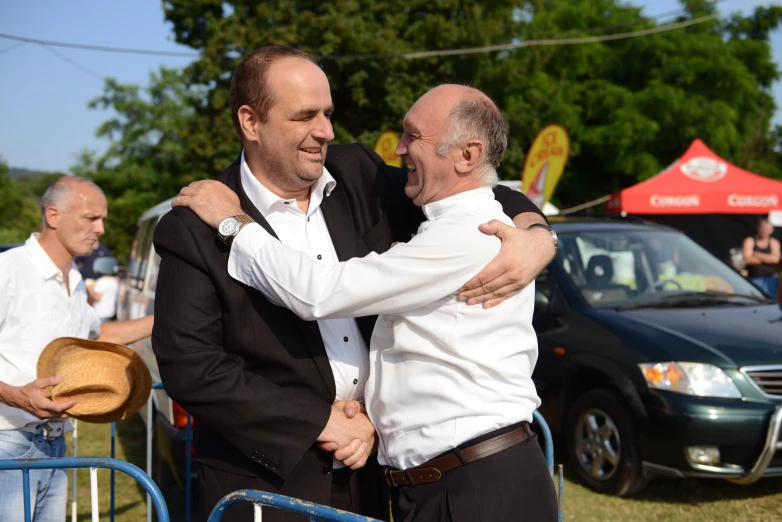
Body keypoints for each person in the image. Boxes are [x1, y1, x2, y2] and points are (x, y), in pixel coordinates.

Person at [152, 45, 557, 522]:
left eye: (327, 113)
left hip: (382, 480)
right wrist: (316, 423)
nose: (324, 130)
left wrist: (538, 234)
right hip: (271, 487)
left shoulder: (360, 175)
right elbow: (191, 366)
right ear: (250, 121)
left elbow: (478, 187)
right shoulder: (196, 224)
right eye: (305, 116)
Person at [0, 176, 155, 522]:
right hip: (6, 443)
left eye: (103, 219)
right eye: (90, 218)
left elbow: (94, 339)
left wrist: (161, 321)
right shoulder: (6, 272)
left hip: (56, 443)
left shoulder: (74, 282)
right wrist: (14, 395)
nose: (100, 229)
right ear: (54, 216)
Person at [742, 218, 780, 299]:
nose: (764, 231)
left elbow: (776, 259)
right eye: (763, 228)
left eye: (767, 229)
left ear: (771, 230)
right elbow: (747, 259)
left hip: (770, 279)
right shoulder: (750, 240)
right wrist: (768, 259)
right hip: (754, 278)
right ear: (758, 228)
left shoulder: (774, 242)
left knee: (770, 300)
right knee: (754, 300)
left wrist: (756, 254)